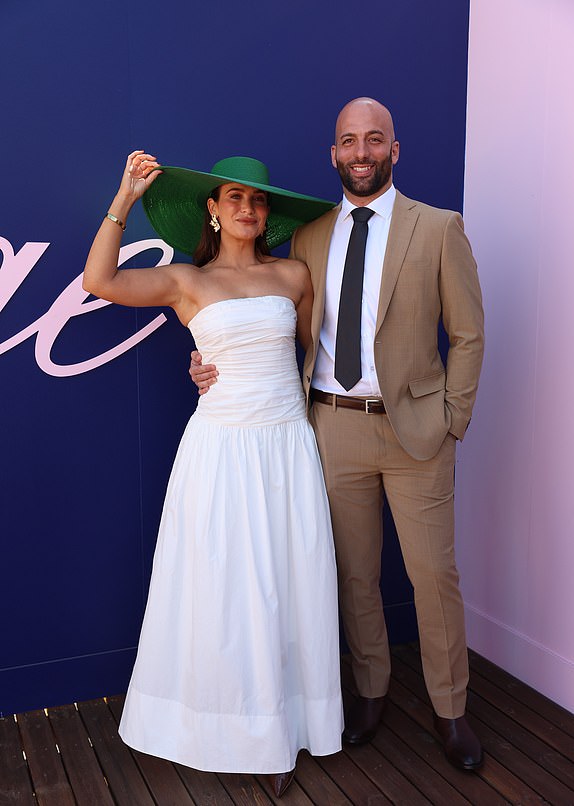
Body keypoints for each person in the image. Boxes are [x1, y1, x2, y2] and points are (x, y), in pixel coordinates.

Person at [190, 98, 485, 771]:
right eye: (348, 141)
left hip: (416, 433)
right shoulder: (312, 236)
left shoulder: (439, 228)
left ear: (394, 150)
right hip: (329, 427)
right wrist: (209, 358)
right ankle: (372, 695)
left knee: (432, 576)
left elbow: (469, 334)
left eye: (373, 140)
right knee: (354, 576)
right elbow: (272, 324)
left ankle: (451, 711)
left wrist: (451, 420)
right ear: (333, 154)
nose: (360, 152)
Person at [82, 151, 344, 797]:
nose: (248, 210)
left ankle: (286, 730)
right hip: (221, 451)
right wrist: (124, 198)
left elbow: (311, 358)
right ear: (213, 209)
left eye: (258, 202)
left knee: (289, 585)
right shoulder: (184, 280)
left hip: (286, 448)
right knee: (226, 594)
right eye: (234, 198)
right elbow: (99, 281)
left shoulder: (294, 274)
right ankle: (222, 732)